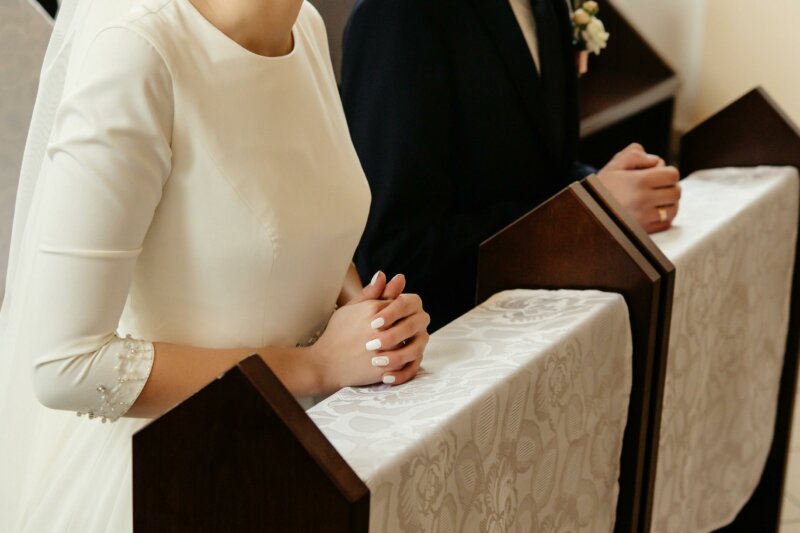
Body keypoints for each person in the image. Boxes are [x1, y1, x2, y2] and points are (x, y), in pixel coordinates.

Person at [0, 0, 429, 530]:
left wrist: (369, 325)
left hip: (315, 449)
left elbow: (293, 219)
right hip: (181, 475)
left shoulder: (305, 26)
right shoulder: (137, 53)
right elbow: (64, 366)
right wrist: (317, 365)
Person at [341, 0, 682, 330]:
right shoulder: (398, 12)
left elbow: (542, 171)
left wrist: (603, 187)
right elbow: (398, 256)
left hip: (554, 314)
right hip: (462, 338)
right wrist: (589, 214)